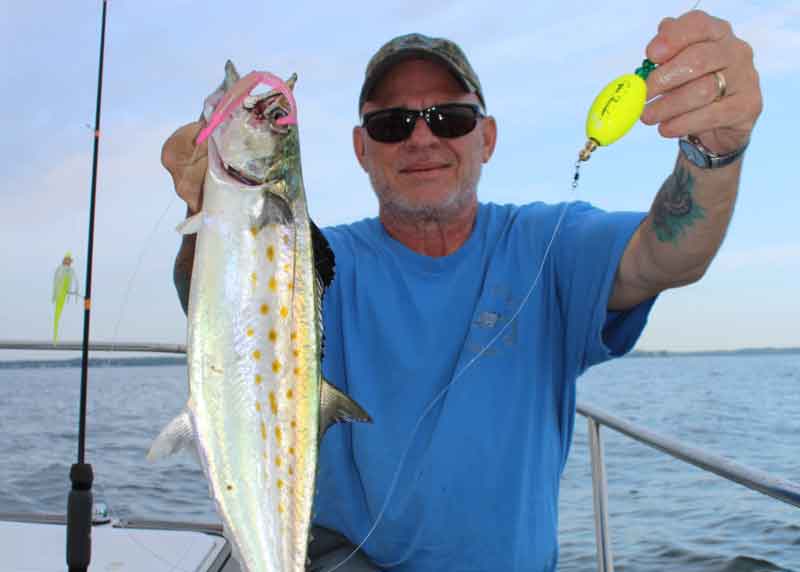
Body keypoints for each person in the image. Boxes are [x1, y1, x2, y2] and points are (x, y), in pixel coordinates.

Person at [161, 10, 761, 571]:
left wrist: (715, 150)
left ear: (488, 138)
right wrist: (206, 211)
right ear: (360, 148)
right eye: (392, 124)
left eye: (450, 118)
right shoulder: (310, 259)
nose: (422, 140)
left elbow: (670, 253)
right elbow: (218, 303)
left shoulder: (549, 244)